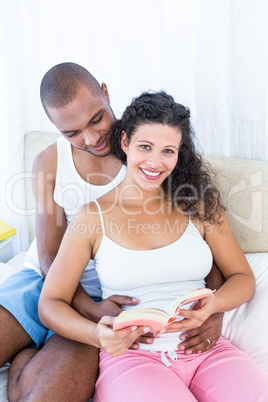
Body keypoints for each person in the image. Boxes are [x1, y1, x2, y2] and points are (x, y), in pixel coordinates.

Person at [0, 63, 223, 401]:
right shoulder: (49, 162)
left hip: (109, 300)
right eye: (71, 133)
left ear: (105, 93)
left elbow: (202, 241)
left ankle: (27, 363)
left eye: (95, 120)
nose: (90, 139)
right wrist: (89, 307)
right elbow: (48, 255)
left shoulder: (147, 152)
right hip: (45, 283)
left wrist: (215, 311)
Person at [39, 91, 268, 401]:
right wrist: (97, 335)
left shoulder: (197, 206)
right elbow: (50, 303)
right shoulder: (92, 218)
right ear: (124, 142)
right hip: (135, 360)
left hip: (209, 353)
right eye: (145, 147)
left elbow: (242, 278)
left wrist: (214, 305)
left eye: (168, 151)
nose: (155, 162)